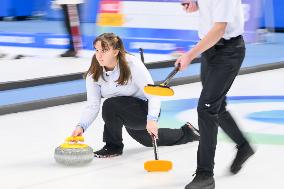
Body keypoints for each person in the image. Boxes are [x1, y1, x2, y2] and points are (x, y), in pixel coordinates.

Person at [71, 33, 200, 158]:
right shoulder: (94, 73)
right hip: (126, 112)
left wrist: (152, 119)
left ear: (115, 52)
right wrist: (81, 126)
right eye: (97, 50)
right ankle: (188, 132)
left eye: (104, 50)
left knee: (110, 105)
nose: (99, 55)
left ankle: (113, 146)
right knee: (146, 140)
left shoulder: (131, 64)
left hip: (145, 109)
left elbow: (153, 94)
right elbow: (93, 105)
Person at [175, 1, 255, 189]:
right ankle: (244, 146)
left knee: (206, 109)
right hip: (209, 49)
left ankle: (205, 174)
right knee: (217, 106)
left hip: (228, 52)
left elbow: (220, 29)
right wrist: (195, 3)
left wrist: (190, 54)